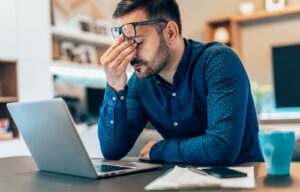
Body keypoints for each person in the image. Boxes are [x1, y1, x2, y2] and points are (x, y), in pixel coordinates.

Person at [98, 0, 263, 164]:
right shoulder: (140, 83)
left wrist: (160, 149)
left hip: (242, 180)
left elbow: (221, 148)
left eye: (139, 42)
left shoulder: (219, 62)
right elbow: (112, 151)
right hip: (182, 181)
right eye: (126, 44)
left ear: (170, 33)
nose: (131, 55)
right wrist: (114, 85)